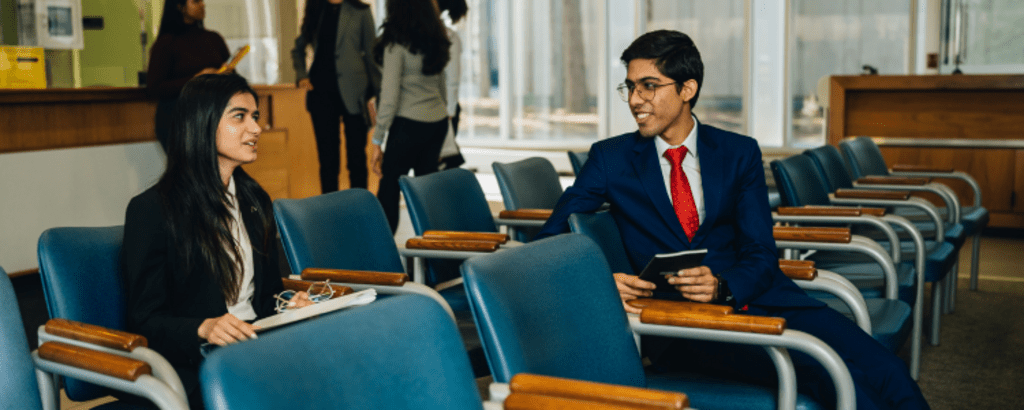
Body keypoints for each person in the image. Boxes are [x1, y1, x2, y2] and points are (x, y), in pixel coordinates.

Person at [535, 30, 930, 410]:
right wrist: (601, 282)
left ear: (687, 89)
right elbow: (549, 239)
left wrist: (723, 285)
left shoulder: (738, 152)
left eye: (649, 86)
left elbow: (760, 249)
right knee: (828, 373)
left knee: (884, 367)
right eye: (630, 87)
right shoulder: (610, 158)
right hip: (681, 325)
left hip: (761, 296)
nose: (635, 99)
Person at [122, 74, 313, 408]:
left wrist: (287, 304)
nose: (255, 128)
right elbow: (145, 320)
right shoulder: (152, 210)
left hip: (256, 345)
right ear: (202, 124)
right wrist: (203, 328)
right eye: (239, 116)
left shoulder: (255, 200)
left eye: (255, 117)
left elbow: (265, 296)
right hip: (199, 364)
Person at [369, 0, 450, 233]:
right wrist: (443, 114)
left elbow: (390, 96)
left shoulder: (396, 44)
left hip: (408, 125)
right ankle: (433, 251)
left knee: (389, 189)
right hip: (436, 122)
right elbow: (441, 85)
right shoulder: (435, 39)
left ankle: (380, 250)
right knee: (426, 190)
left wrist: (378, 139)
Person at [291, 0, 381, 193]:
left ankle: (360, 209)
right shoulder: (316, 9)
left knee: (356, 160)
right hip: (321, 93)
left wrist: (379, 93)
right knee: (328, 162)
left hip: (356, 92)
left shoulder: (361, 11)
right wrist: (302, 76)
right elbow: (297, 50)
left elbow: (372, 54)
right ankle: (330, 214)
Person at [147, 0, 230, 151]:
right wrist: (195, 80)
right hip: (178, 121)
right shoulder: (166, 43)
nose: (203, 5)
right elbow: (154, 88)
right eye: (196, 1)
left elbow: (229, 77)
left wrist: (226, 74)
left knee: (214, 172)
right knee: (189, 172)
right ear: (180, 7)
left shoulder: (214, 39)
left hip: (212, 119)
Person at [437, 0, 468, 170]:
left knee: (442, 164)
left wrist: (449, 111)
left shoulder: (450, 38)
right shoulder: (447, 36)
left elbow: (453, 80)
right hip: (443, 108)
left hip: (446, 110)